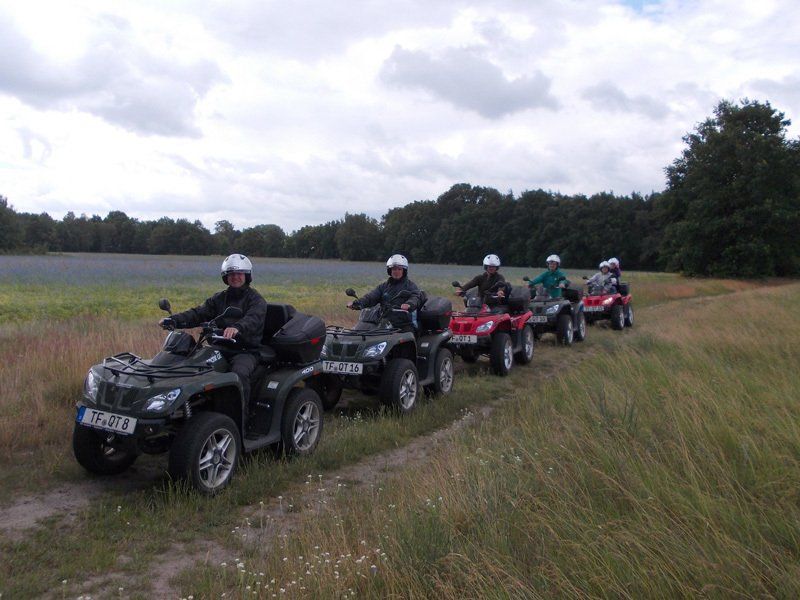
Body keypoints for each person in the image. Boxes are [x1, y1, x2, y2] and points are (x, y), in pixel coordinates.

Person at [159, 254, 267, 407]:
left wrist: (237, 327)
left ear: (246, 275)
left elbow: (253, 318)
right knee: (191, 366)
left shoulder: (256, 300)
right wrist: (174, 320)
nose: (235, 277)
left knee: (239, 375)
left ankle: (241, 417)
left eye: (239, 273)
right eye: (231, 274)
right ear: (226, 277)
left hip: (245, 350)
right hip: (219, 347)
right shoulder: (219, 298)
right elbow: (198, 313)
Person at [348, 254, 423, 318]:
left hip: (404, 322)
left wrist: (409, 304)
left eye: (399, 269)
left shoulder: (411, 286)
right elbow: (371, 297)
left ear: (404, 271)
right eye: (394, 269)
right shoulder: (383, 286)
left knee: (408, 334)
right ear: (390, 271)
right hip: (384, 320)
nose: (396, 272)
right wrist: (357, 303)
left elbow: (415, 297)